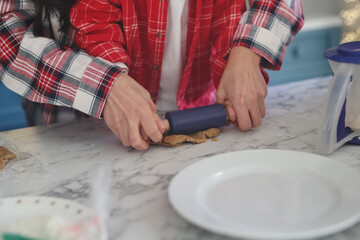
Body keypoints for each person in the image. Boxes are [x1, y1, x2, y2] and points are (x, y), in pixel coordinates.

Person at [0, 0, 303, 151]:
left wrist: (248, 53)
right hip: (80, 130)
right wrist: (103, 86)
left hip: (203, 113)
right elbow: (6, 26)